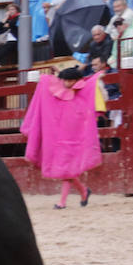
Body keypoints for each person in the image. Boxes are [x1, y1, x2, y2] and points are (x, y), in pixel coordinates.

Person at [22, 63, 102, 209]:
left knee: (67, 171)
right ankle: (83, 192)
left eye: (70, 81)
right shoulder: (56, 91)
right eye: (64, 80)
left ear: (78, 80)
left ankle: (63, 202)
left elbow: (93, 110)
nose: (66, 83)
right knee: (67, 170)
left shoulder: (85, 91)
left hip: (76, 138)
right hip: (59, 137)